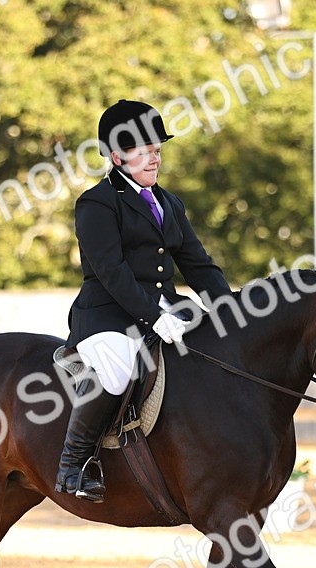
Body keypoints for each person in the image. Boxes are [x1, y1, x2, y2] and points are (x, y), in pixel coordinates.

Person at [54, 99, 233, 502]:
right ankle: (74, 464)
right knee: (117, 370)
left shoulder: (169, 203)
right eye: (146, 150)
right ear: (117, 156)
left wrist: (230, 308)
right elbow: (112, 272)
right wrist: (154, 316)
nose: (156, 158)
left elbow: (198, 265)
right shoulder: (97, 203)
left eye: (157, 150)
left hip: (167, 309)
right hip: (108, 315)